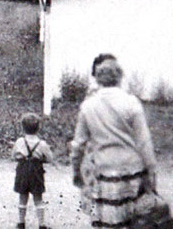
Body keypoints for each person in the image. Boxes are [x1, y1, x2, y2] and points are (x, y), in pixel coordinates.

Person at [70, 53, 158, 229]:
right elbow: (144, 142)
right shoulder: (132, 103)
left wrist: (76, 171)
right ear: (119, 77)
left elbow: (78, 145)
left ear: (98, 79)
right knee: (136, 221)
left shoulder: (88, 106)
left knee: (108, 222)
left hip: (104, 172)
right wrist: (151, 171)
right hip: (133, 170)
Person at [12, 112, 54, 229]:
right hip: (36, 171)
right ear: (38, 127)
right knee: (38, 197)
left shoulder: (20, 142)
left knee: (22, 196)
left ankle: (21, 222)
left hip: (22, 170)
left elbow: (13, 156)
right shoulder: (42, 144)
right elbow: (50, 159)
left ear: (22, 127)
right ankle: (41, 224)